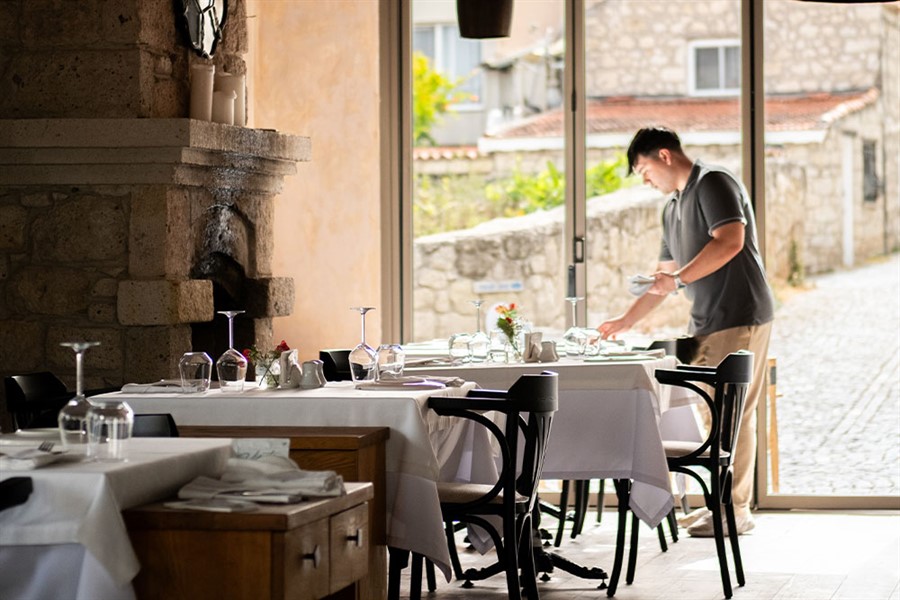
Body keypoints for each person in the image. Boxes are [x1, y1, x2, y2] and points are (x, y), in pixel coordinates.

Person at [598, 126, 774, 537]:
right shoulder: (671, 208)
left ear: (664, 156)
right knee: (713, 415)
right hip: (706, 319)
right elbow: (664, 278)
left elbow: (730, 241)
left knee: (732, 415)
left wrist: (677, 280)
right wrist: (624, 321)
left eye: (644, 171)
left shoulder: (713, 182)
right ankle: (720, 506)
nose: (646, 181)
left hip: (740, 313)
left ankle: (734, 511)